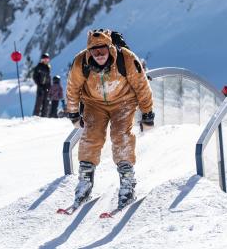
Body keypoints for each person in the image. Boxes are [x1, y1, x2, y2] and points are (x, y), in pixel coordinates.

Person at [66, 29, 154, 209]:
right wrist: (74, 112)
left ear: (109, 47)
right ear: (89, 51)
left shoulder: (126, 58)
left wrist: (147, 113)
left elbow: (141, 85)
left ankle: (127, 180)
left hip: (124, 101)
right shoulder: (80, 62)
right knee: (91, 136)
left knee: (120, 136)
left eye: (102, 49)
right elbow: (73, 88)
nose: (98, 54)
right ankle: (85, 179)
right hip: (94, 103)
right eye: (94, 50)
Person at [32, 53, 51, 117]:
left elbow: (48, 77)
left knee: (46, 103)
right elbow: (35, 77)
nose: (46, 61)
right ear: (42, 60)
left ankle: (44, 117)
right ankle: (35, 116)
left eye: (47, 59)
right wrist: (39, 85)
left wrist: (49, 86)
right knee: (39, 102)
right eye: (45, 59)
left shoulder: (48, 67)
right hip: (40, 87)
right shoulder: (38, 67)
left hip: (46, 87)